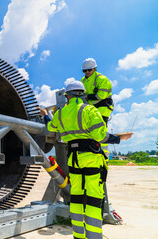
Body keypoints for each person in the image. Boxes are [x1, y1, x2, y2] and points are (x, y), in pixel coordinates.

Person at [39, 80, 131, 239]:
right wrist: (119, 139)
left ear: (68, 96)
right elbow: (100, 136)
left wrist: (46, 115)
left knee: (76, 196)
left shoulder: (61, 113)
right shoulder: (90, 110)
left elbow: (51, 127)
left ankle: (79, 236)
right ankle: (94, 236)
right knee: (94, 197)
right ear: (82, 94)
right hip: (91, 157)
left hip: (73, 159)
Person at [81, 58, 113, 158]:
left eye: (89, 70)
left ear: (95, 68)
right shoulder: (83, 80)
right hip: (90, 109)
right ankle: (93, 154)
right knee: (89, 131)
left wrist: (87, 97)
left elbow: (101, 95)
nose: (87, 72)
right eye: (84, 70)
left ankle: (104, 157)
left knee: (99, 131)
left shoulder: (101, 79)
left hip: (102, 108)